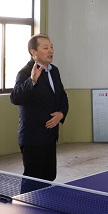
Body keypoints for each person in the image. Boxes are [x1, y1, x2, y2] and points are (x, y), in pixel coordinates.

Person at [10, 34, 68, 181]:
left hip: (50, 135)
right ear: (33, 52)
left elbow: (62, 96)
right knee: (33, 180)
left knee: (49, 177)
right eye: (46, 48)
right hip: (33, 138)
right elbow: (15, 98)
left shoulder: (54, 71)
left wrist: (61, 113)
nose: (51, 51)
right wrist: (32, 81)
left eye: (52, 47)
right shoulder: (25, 72)